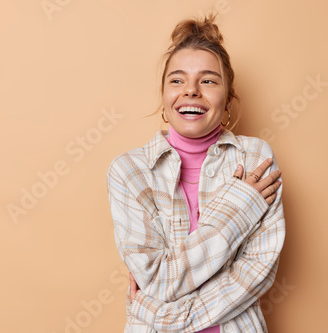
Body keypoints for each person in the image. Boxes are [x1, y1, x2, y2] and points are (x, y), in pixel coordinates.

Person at [106, 13, 285, 333]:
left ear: (228, 99)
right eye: (177, 80)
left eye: (208, 80)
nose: (191, 90)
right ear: (164, 97)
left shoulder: (255, 157)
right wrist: (240, 209)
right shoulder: (129, 171)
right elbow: (157, 280)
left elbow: (259, 271)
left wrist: (165, 317)